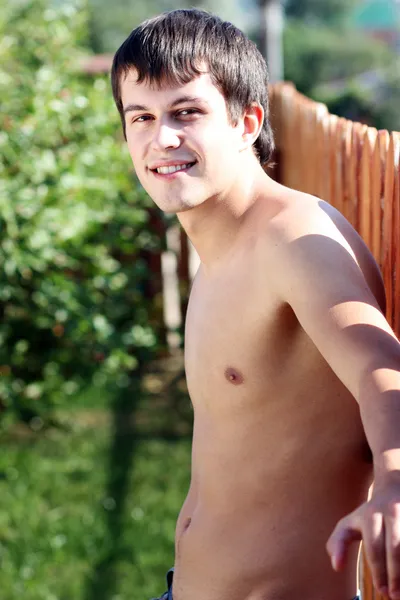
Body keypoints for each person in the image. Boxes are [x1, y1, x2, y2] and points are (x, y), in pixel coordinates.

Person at [111, 9, 400, 600]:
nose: (161, 138)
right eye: (140, 117)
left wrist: (396, 485)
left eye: (186, 112)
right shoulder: (218, 245)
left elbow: (382, 368)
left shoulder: (293, 238)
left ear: (247, 122)